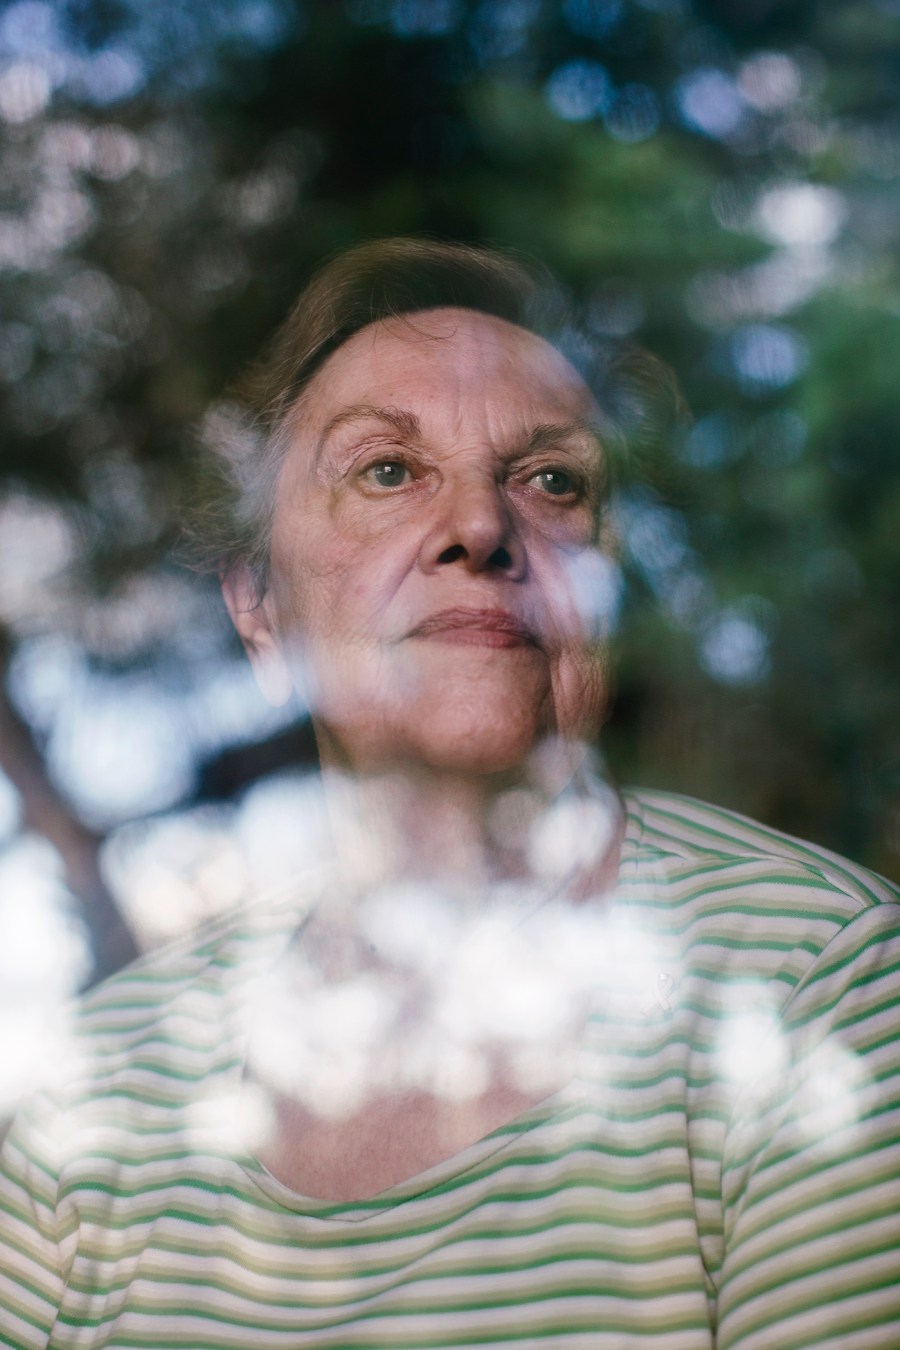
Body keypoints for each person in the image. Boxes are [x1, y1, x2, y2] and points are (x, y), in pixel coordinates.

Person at [1, 238, 898, 1349]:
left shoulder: (822, 979)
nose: (480, 526)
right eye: (387, 470)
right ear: (259, 609)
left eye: (552, 481)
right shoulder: (83, 1105)